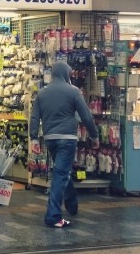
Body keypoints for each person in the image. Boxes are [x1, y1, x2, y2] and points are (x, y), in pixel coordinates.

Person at [29, 61, 100, 228]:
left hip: (50, 138)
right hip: (67, 138)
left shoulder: (41, 93)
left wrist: (34, 139)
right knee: (60, 174)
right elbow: (86, 116)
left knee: (62, 170)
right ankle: (53, 215)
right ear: (66, 74)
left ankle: (71, 202)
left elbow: (34, 117)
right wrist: (94, 136)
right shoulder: (73, 91)